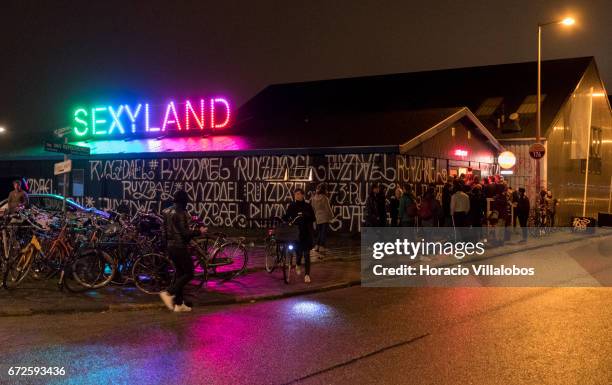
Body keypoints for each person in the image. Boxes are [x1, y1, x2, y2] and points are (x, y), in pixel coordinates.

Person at [159, 190, 206, 313]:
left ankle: (179, 305)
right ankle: (168, 292)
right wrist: (199, 231)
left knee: (180, 274)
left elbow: (163, 232)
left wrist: (166, 247)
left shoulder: (166, 211)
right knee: (189, 273)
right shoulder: (181, 213)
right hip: (180, 247)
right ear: (184, 201)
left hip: (170, 247)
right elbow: (185, 234)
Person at [284, 188, 315, 283]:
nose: (296, 196)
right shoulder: (292, 206)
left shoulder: (307, 206)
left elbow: (313, 218)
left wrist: (305, 215)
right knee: (298, 253)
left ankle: (307, 275)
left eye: (298, 194)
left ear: (302, 195)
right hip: (296, 234)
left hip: (306, 233)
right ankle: (297, 263)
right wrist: (285, 220)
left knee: (306, 254)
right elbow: (286, 216)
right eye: (295, 194)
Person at [311, 183, 334, 255]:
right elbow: (328, 208)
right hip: (324, 217)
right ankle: (322, 247)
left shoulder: (313, 198)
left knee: (319, 233)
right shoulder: (325, 198)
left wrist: (314, 218)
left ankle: (317, 246)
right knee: (323, 233)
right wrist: (331, 217)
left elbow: (313, 209)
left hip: (317, 217)